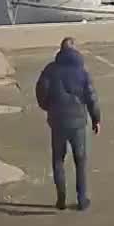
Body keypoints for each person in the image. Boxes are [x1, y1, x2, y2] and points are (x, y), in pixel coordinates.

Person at [35, 37, 101, 211]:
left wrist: (47, 107)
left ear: (61, 50)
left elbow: (41, 90)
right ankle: (81, 200)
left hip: (57, 122)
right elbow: (91, 97)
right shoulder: (82, 71)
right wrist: (96, 119)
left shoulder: (50, 70)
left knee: (58, 160)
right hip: (78, 122)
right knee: (80, 160)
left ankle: (61, 200)